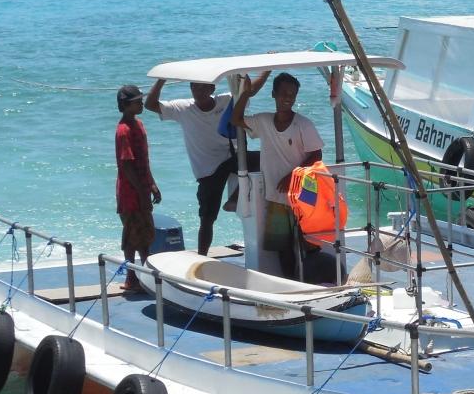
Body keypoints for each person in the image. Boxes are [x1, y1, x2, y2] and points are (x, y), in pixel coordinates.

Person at [231, 72, 324, 276]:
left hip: (303, 196)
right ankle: (290, 283)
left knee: (309, 245)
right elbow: (235, 119)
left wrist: (293, 176)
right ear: (273, 94)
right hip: (276, 196)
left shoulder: (304, 124)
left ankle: (312, 282)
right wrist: (245, 93)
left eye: (292, 94)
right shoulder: (263, 121)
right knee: (283, 249)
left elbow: (317, 155)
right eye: (283, 93)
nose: (288, 98)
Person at [144, 75, 245, 256]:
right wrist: (161, 79)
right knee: (207, 219)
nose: (199, 92)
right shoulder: (184, 108)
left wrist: (250, 76)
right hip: (208, 170)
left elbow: (247, 92)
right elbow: (150, 104)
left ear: (212, 89)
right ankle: (202, 256)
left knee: (259, 162)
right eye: (195, 87)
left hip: (231, 158)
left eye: (203, 87)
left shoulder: (226, 100)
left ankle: (235, 198)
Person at [114, 84, 161, 295]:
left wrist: (152, 184)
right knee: (131, 235)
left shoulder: (139, 125)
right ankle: (131, 277)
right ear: (125, 105)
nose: (141, 103)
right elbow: (126, 165)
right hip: (129, 192)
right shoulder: (123, 130)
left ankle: (146, 275)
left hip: (142, 187)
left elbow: (143, 161)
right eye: (137, 101)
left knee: (145, 234)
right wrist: (141, 191)